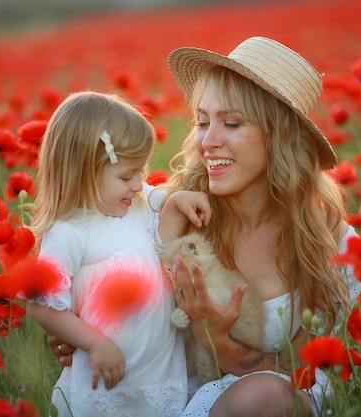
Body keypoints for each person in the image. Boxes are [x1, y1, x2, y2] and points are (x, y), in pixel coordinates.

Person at [52, 37, 361, 417]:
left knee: (267, 397)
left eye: (231, 123)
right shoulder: (166, 213)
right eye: (202, 122)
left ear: (281, 137)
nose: (207, 141)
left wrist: (216, 339)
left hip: (257, 403)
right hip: (152, 400)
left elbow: (303, 375)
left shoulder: (328, 242)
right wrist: (79, 328)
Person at [26, 91, 210, 417]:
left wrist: (179, 199)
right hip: (108, 382)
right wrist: (95, 344)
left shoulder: (133, 207)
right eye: (127, 176)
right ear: (83, 172)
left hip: (159, 377)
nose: (139, 185)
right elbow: (42, 306)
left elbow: (159, 198)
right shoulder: (68, 232)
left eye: (139, 173)